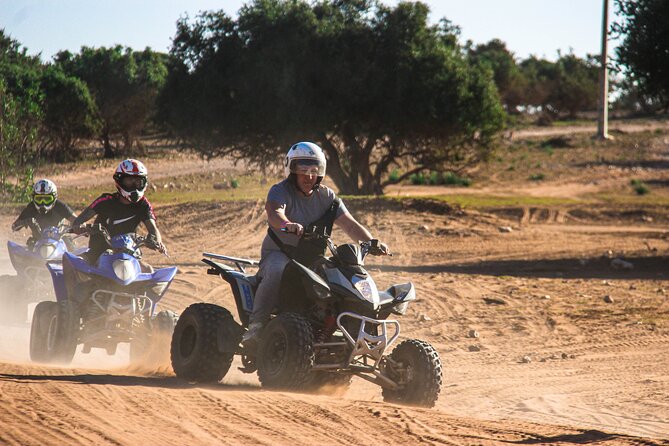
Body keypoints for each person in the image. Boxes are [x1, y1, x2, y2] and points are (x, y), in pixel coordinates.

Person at [242, 141, 390, 347]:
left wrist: (371, 242)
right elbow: (274, 212)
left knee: (343, 278)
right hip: (280, 254)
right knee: (276, 269)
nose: (309, 176)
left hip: (313, 259)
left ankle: (345, 332)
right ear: (291, 170)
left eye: (314, 170)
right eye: (303, 170)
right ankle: (256, 326)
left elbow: (349, 224)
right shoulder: (280, 191)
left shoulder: (328, 197)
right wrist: (288, 225)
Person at [71, 159, 166, 264]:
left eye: (138, 182)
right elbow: (79, 220)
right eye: (130, 181)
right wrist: (79, 226)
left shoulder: (143, 204)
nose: (134, 186)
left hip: (128, 252)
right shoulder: (105, 200)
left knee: (148, 270)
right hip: (99, 251)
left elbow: (153, 228)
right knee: (76, 262)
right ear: (119, 180)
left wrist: (157, 241)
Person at [12, 179, 76, 246]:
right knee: (28, 248)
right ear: (34, 198)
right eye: (39, 199)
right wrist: (24, 222)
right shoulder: (31, 207)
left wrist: (79, 226)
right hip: (37, 240)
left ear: (54, 198)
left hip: (60, 239)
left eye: (47, 199)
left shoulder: (60, 206)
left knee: (71, 248)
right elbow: (14, 226)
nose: (43, 203)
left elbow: (76, 219)